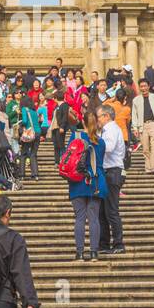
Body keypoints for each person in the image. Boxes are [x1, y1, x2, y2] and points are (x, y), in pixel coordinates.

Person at [67, 111, 107, 261]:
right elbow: (101, 162)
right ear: (96, 123)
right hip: (95, 181)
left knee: (80, 218)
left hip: (77, 181)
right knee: (94, 218)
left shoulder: (75, 137)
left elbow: (68, 157)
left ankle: (79, 252)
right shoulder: (100, 142)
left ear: (82, 122)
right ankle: (94, 252)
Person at [96, 104, 126, 255]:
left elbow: (109, 147)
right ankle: (104, 243)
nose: (98, 120)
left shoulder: (112, 129)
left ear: (106, 116)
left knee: (111, 210)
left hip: (113, 171)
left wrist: (94, 141)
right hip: (106, 172)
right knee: (102, 211)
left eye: (99, 117)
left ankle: (119, 243)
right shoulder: (106, 130)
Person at [131, 77, 154, 176]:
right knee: (145, 148)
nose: (143, 88)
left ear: (148, 86)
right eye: (141, 86)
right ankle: (149, 167)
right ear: (139, 88)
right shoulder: (136, 100)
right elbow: (134, 115)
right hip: (142, 126)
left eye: (145, 86)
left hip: (153, 124)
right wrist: (135, 128)